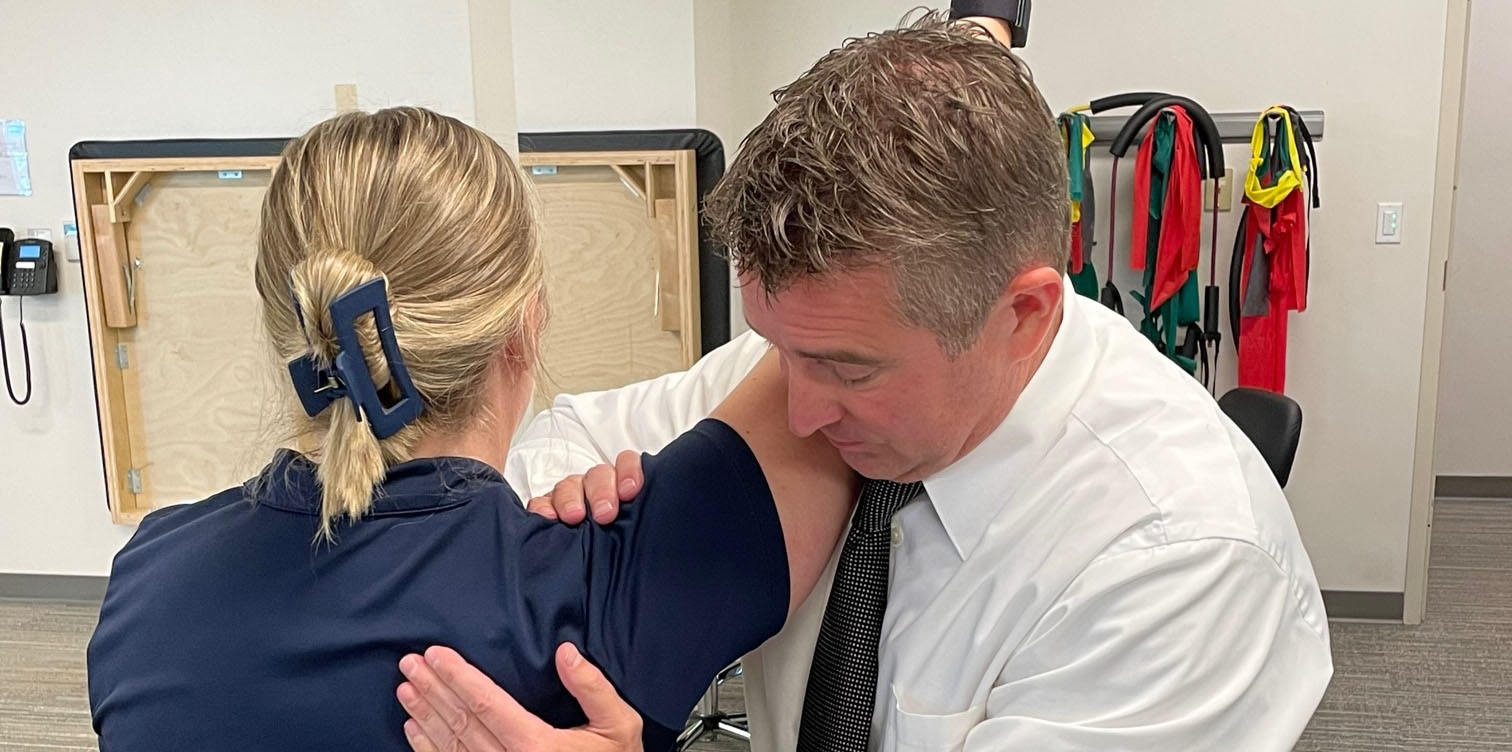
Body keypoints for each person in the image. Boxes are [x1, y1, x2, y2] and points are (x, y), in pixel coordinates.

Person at [399, 11, 1334, 752]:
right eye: (780, 348)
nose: (796, 409)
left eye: (848, 368)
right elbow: (561, 435)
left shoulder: (1180, 564)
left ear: (1022, 318)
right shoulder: (808, 362)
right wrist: (572, 520)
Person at [85, 107, 860, 752]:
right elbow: (830, 355)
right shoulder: (613, 579)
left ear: (294, 329)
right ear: (524, 327)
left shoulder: (149, 575)